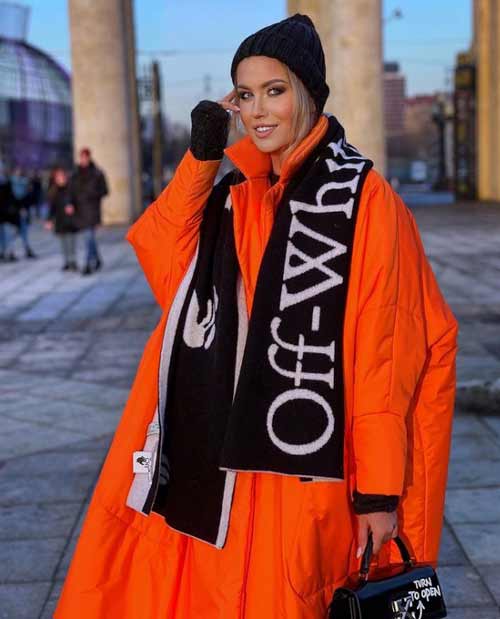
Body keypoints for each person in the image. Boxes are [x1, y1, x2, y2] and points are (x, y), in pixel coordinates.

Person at [55, 15, 458, 619]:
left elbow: (387, 354)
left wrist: (379, 492)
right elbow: (169, 265)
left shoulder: (366, 202)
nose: (259, 109)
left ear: (309, 93)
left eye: (275, 90)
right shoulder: (236, 195)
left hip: (313, 468)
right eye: (245, 94)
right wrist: (200, 159)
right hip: (228, 462)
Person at [70, 147, 108, 275]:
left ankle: (87, 264)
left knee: (88, 237)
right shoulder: (75, 173)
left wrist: (93, 194)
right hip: (80, 210)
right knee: (89, 238)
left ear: (89, 157)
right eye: (82, 157)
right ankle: (97, 259)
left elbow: (105, 191)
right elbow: (71, 192)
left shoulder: (97, 173)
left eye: (86, 157)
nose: (84, 159)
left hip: (92, 209)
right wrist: (70, 204)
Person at [45, 167, 79, 271]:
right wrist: (49, 220)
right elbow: (52, 208)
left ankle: (73, 261)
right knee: (63, 242)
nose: (60, 178)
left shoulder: (71, 188)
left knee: (71, 241)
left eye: (61, 176)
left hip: (70, 219)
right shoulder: (53, 191)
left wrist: (73, 207)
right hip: (60, 219)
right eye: (58, 177)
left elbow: (78, 201)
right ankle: (66, 262)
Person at [10, 166, 36, 258]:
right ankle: (10, 250)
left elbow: (28, 197)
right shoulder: (12, 183)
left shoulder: (24, 182)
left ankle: (25, 248)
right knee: (13, 232)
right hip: (14, 212)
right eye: (17, 170)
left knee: (23, 231)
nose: (19, 172)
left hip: (23, 211)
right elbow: (15, 197)